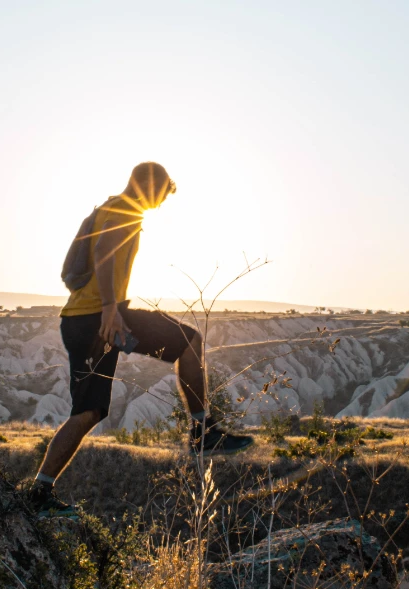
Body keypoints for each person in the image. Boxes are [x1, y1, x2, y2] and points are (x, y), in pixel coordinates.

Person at [28, 162, 254, 518]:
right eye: (162, 194)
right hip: (96, 319)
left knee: (90, 412)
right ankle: (203, 432)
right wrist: (109, 309)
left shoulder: (108, 206)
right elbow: (103, 250)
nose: (161, 203)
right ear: (150, 187)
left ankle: (39, 491)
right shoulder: (124, 210)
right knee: (189, 341)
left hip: (85, 319)